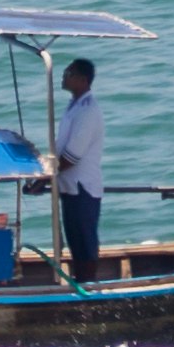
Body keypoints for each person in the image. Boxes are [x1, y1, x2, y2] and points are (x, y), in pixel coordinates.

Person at [49, 56, 108, 282]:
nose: (64, 77)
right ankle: (80, 283)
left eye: (69, 73)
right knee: (74, 240)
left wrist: (48, 177)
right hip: (69, 186)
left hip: (82, 186)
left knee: (85, 242)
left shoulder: (88, 110)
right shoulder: (74, 106)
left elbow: (73, 155)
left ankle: (88, 286)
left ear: (82, 80)